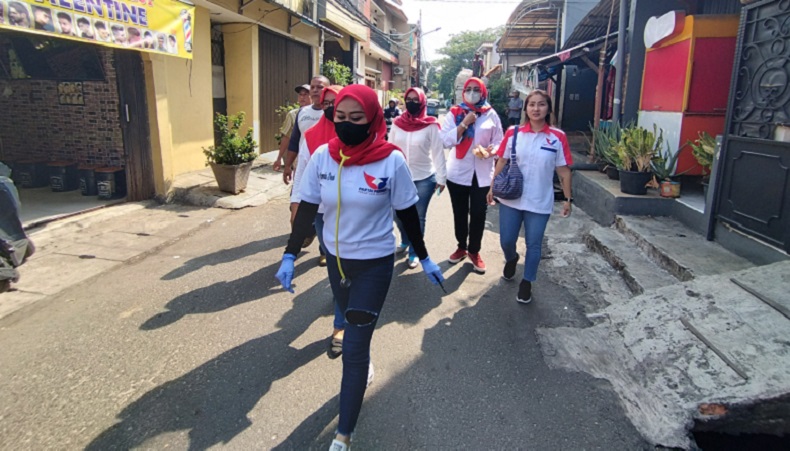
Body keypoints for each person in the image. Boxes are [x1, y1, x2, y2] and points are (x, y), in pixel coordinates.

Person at [275, 84, 445, 451]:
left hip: (374, 265)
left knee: (352, 347)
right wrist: (289, 254)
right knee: (354, 336)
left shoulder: (391, 161)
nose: (346, 124)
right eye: (340, 117)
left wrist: (424, 256)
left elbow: (407, 215)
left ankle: (343, 436)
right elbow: (307, 208)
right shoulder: (324, 156)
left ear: (372, 120)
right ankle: (362, 361)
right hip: (337, 263)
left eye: (356, 118)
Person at [487, 89, 573, 304]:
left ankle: (527, 282)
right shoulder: (513, 133)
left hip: (540, 200)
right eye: (532, 104)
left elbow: (564, 171)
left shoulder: (557, 137)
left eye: (541, 104)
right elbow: (502, 160)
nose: (536, 108)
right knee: (507, 240)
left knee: (534, 244)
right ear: (525, 108)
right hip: (511, 197)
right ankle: (511, 258)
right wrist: (492, 186)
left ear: (548, 108)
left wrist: (568, 199)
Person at [292, 85, 345, 357]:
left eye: (337, 102)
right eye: (327, 103)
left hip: (353, 213)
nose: (331, 107)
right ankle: (341, 293)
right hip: (323, 212)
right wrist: (296, 204)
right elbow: (302, 171)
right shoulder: (312, 136)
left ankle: (340, 324)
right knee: (334, 263)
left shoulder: (359, 131)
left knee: (347, 266)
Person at [440, 76, 503, 274]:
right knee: (459, 212)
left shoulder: (491, 114)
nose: (472, 93)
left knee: (478, 213)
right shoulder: (455, 113)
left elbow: (499, 141)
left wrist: (492, 150)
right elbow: (445, 141)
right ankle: (461, 247)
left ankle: (474, 251)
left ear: (483, 92)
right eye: (469, 89)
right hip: (458, 172)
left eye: (477, 89)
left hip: (482, 173)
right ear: (463, 92)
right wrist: (465, 123)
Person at [389, 87, 447, 269]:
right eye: (409, 99)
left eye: (416, 100)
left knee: (418, 217)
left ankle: (415, 251)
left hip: (424, 178)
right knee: (397, 214)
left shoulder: (431, 125)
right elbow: (389, 148)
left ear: (422, 102)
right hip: (399, 178)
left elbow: (438, 152)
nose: (411, 102)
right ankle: (406, 239)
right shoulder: (397, 123)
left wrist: (442, 178)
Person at [282, 75, 330, 187]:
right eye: (312, 87)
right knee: (298, 196)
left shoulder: (333, 112)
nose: (315, 90)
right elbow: (294, 141)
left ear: (328, 89)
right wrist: (288, 166)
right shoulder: (302, 112)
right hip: (303, 167)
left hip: (326, 169)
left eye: (320, 87)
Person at [273, 84, 311, 172]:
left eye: (305, 94)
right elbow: (286, 137)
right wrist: (279, 158)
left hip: (314, 157)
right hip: (299, 158)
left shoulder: (320, 114)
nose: (302, 97)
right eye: (300, 94)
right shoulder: (292, 115)